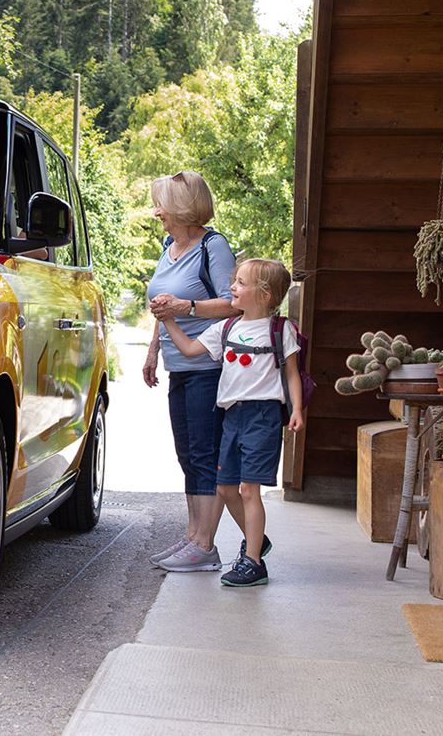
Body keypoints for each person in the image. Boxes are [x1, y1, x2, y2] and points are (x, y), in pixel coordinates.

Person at [159, 258, 305, 588]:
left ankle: (253, 562)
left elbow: (292, 374)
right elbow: (190, 348)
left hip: (262, 417)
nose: (232, 288)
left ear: (265, 295)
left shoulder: (280, 331)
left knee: (249, 490)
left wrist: (297, 410)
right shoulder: (226, 328)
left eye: (240, 283)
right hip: (231, 417)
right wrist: (168, 320)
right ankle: (257, 540)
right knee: (225, 488)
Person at [141, 171, 243, 574]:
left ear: (182, 207)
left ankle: (206, 544)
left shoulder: (213, 247)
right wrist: (152, 349)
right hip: (176, 365)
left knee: (204, 454)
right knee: (187, 453)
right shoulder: (169, 246)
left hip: (206, 365)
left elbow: (234, 303)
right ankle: (192, 535)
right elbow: (158, 304)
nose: (156, 212)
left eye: (162, 204)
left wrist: (188, 309)